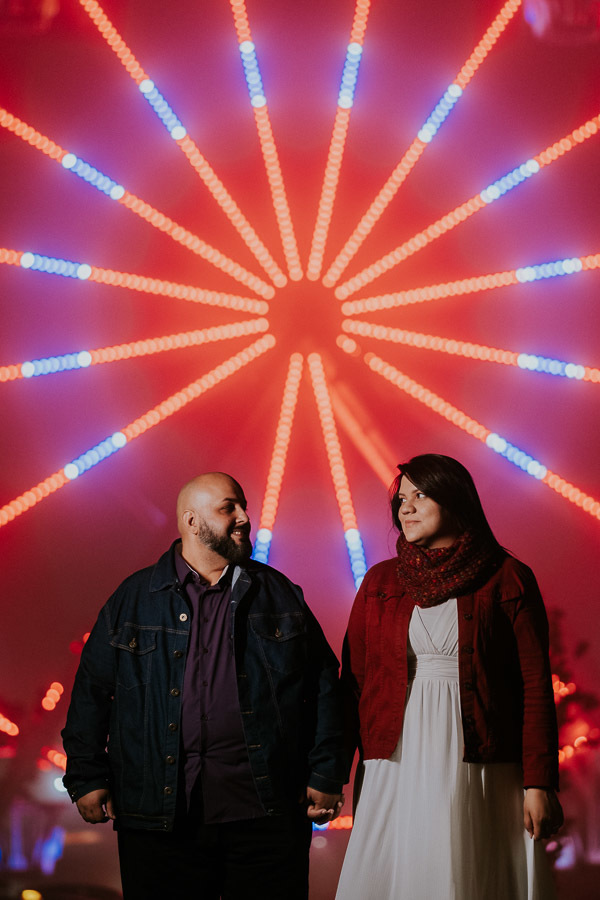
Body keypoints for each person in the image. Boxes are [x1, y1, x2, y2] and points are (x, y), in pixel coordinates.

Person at [62, 472, 344, 900]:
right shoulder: (133, 598)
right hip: (158, 817)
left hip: (266, 815)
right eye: (228, 507)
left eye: (243, 506)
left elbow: (325, 686)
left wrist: (326, 771)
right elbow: (91, 693)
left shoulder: (280, 594)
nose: (245, 517)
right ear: (192, 522)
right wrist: (85, 776)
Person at [336, 454, 563, 900]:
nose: (406, 508)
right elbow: (355, 683)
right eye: (401, 499)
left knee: (471, 874)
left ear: (456, 499)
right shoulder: (381, 581)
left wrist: (539, 783)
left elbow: (534, 687)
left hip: (482, 760)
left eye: (421, 495)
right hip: (393, 759)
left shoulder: (508, 578)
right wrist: (329, 775)